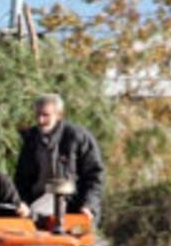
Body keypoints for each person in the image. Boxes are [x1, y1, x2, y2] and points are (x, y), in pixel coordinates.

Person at [14, 93, 105, 221]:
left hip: (72, 204)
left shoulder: (78, 137)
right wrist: (22, 202)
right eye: (37, 115)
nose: (40, 120)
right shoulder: (30, 139)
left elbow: (94, 176)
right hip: (36, 203)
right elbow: (21, 178)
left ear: (59, 115)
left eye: (45, 115)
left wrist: (88, 205)